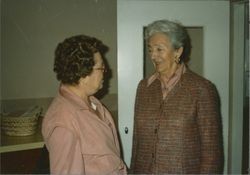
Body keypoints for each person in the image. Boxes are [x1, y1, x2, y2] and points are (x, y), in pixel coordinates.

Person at [130, 19, 223, 174]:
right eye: (150, 49)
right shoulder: (144, 87)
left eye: (159, 49)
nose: (153, 55)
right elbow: (136, 142)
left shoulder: (202, 89)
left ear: (178, 51)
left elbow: (211, 153)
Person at [42, 35, 127, 174]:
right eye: (101, 68)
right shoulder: (63, 122)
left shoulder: (93, 102)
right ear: (83, 74)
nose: (106, 72)